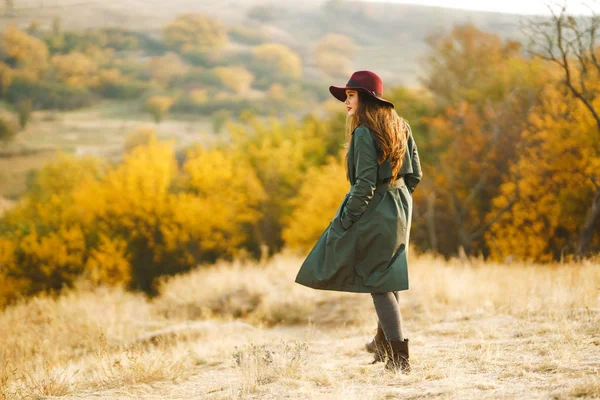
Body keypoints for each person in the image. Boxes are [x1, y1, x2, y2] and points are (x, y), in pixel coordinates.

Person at [294, 70, 422, 373]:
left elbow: (364, 185)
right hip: (401, 205)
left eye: (350, 95)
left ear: (365, 98)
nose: (346, 102)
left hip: (376, 208)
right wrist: (398, 202)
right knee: (388, 276)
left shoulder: (364, 132)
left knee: (378, 280)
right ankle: (381, 345)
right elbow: (414, 174)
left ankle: (399, 360)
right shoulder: (400, 125)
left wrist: (347, 220)